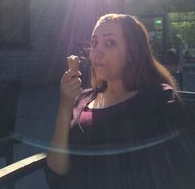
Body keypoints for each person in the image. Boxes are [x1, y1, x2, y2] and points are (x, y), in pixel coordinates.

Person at [45, 13, 195, 189]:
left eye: (109, 43)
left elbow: (181, 171)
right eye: (94, 43)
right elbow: (56, 172)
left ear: (132, 53)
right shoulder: (83, 98)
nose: (97, 52)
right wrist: (65, 105)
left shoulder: (158, 99)